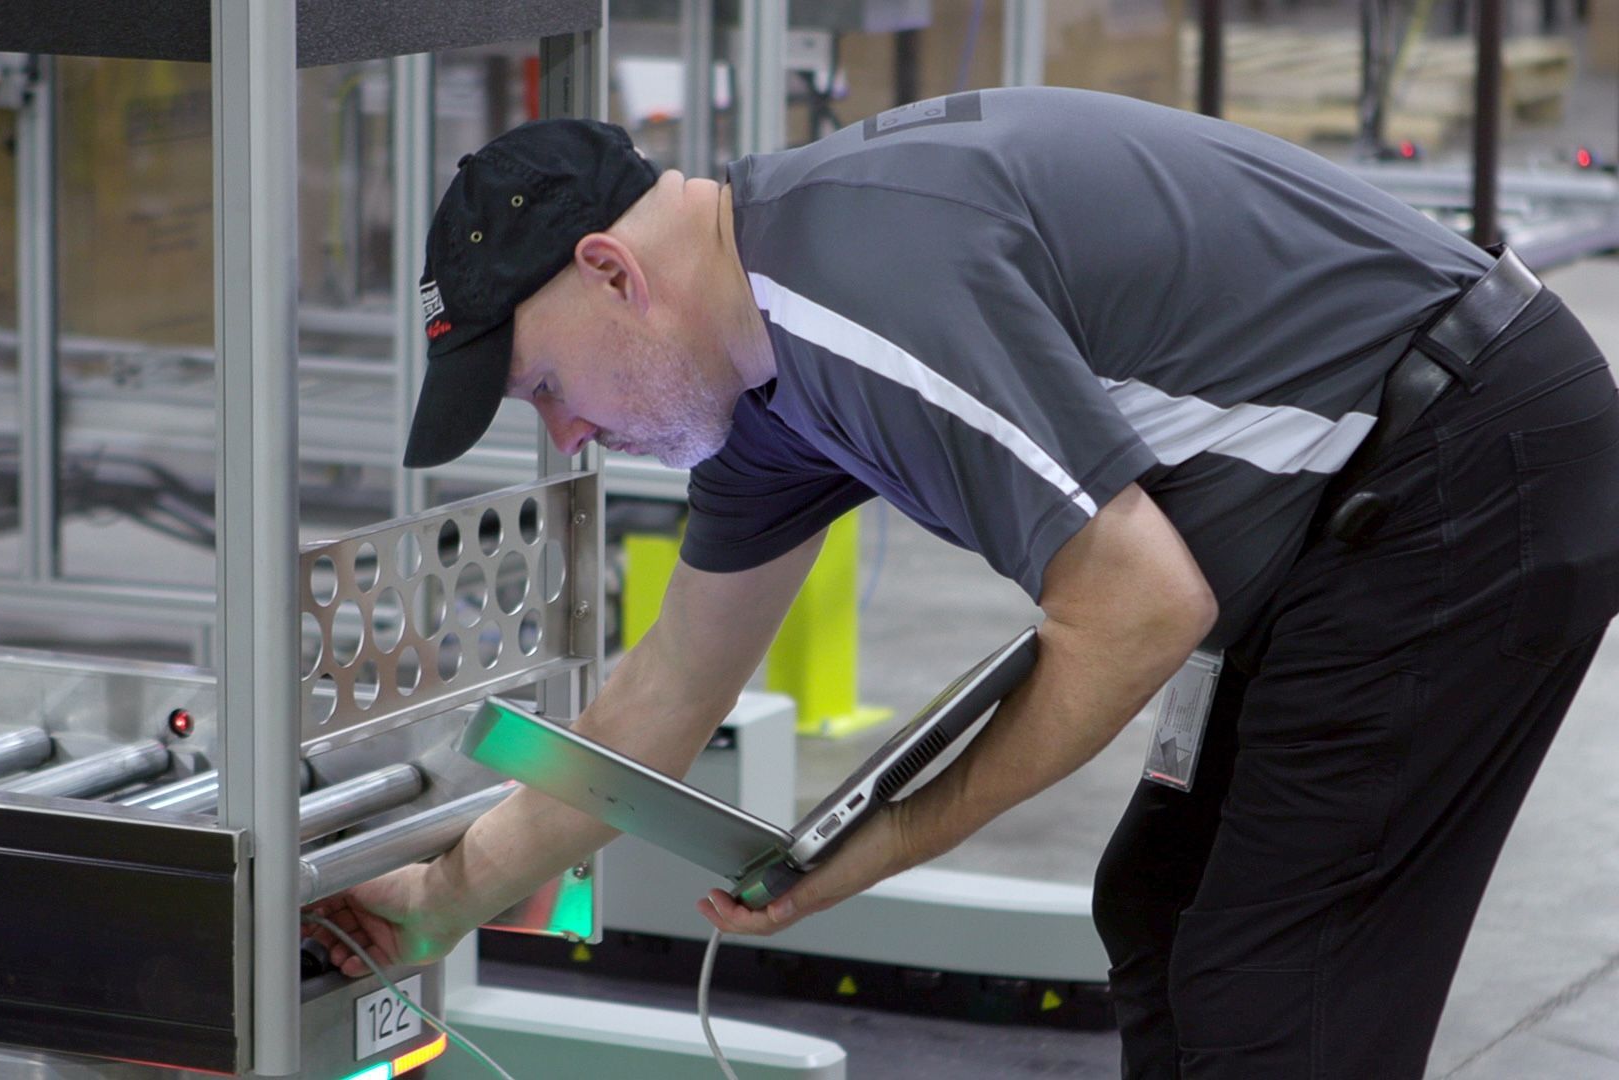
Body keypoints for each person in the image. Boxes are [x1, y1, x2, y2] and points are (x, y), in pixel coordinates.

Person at [304, 87, 1619, 1077]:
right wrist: (441, 902)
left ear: (612, 272)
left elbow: (1137, 610)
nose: (569, 437)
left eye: (544, 384)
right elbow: (664, 696)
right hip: (1345, 500)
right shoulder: (763, 386)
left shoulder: (852, 289)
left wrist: (889, 839)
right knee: (1158, 908)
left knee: (1274, 987)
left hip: (1466, 463)